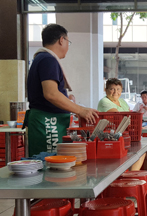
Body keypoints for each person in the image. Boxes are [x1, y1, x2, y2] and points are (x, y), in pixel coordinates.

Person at [26, 24, 98, 156]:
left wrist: (67, 100)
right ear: (61, 40)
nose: (68, 47)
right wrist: (80, 110)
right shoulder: (48, 60)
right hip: (48, 123)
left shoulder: (42, 58)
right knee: (50, 165)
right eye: (68, 42)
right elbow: (51, 94)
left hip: (48, 121)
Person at [97, 78, 147, 171]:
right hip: (111, 138)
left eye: (118, 89)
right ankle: (131, 180)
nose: (115, 92)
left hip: (127, 136)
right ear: (106, 90)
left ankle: (146, 180)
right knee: (140, 153)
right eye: (112, 89)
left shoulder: (122, 102)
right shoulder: (104, 101)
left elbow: (130, 117)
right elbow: (117, 118)